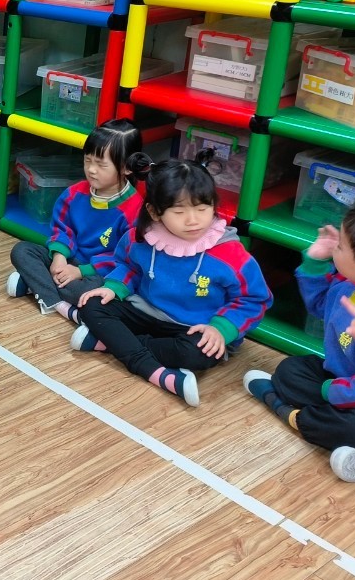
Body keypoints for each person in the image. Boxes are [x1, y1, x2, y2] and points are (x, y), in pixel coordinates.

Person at [74, 155, 272, 407]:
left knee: (195, 354)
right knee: (92, 304)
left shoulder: (232, 255)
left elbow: (254, 299)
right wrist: (113, 288)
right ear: (154, 212)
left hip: (194, 329)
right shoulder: (141, 237)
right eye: (179, 212)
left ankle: (113, 343)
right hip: (146, 313)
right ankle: (143, 360)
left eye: (203, 208)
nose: (193, 220)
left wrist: (220, 329)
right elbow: (129, 266)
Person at [244, 201, 355, 482]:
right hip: (351, 384)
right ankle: (333, 426)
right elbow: (322, 305)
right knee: (291, 371)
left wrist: (328, 391)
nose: (335, 248)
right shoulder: (354, 286)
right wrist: (315, 263)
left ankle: (285, 409)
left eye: (340, 247)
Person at [6, 119, 143, 325]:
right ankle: (65, 307)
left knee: (90, 293)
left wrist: (80, 271)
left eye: (101, 164)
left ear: (127, 168)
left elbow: (125, 259)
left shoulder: (135, 210)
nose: (92, 169)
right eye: (88, 160)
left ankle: (35, 285)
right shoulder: (74, 193)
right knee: (21, 250)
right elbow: (62, 227)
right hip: (68, 260)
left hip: (97, 273)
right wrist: (59, 257)